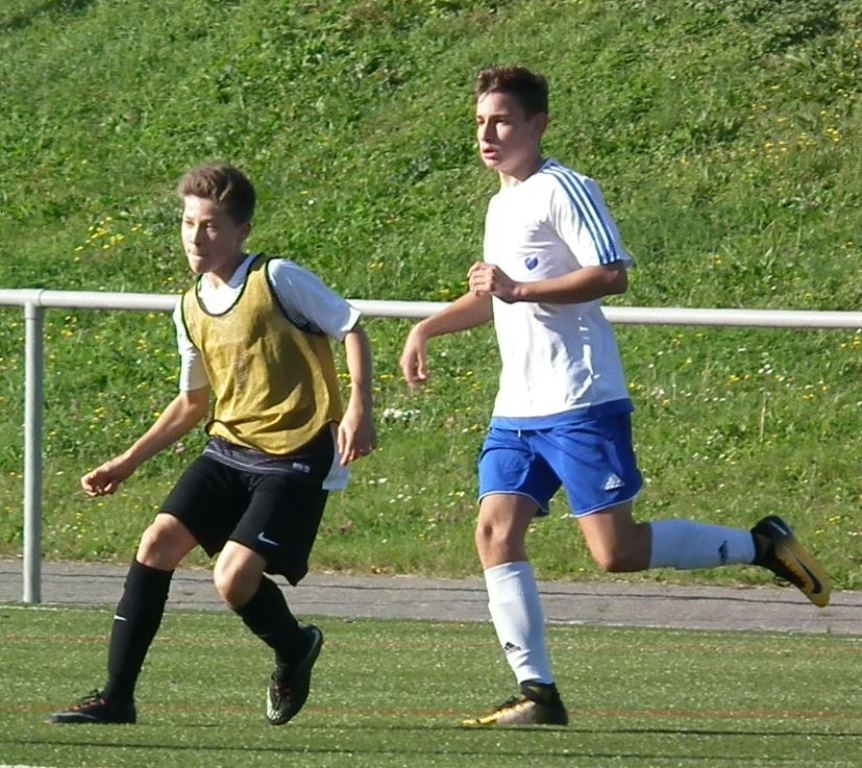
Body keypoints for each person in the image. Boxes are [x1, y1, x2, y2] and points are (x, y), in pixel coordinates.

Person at [399, 66, 831, 728]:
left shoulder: (564, 188)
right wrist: (428, 327)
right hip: (517, 409)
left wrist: (518, 290)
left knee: (615, 551)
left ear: (539, 124)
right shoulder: (500, 204)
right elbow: (495, 298)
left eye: (503, 120)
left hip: (580, 399)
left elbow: (610, 275)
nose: (488, 134)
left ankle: (763, 546)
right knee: (493, 531)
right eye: (481, 122)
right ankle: (538, 692)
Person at [49, 163, 377, 726]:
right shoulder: (189, 306)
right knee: (156, 544)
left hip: (293, 456)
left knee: (232, 578)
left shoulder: (277, 279)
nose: (195, 238)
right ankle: (116, 697)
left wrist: (359, 407)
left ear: (241, 230)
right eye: (188, 223)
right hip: (228, 449)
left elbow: (350, 327)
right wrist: (125, 463)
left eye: (210, 226)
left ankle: (295, 647)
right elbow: (192, 403)